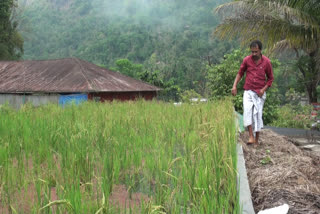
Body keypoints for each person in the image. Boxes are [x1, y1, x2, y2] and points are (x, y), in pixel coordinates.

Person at [231, 40, 274, 145]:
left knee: (257, 115)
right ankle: (250, 136)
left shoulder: (266, 62)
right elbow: (240, 73)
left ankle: (256, 140)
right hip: (248, 90)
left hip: (259, 92)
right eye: (252, 52)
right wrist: (234, 86)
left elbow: (270, 79)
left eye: (256, 52)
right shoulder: (247, 60)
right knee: (247, 111)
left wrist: (263, 90)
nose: (254, 54)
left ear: (260, 50)